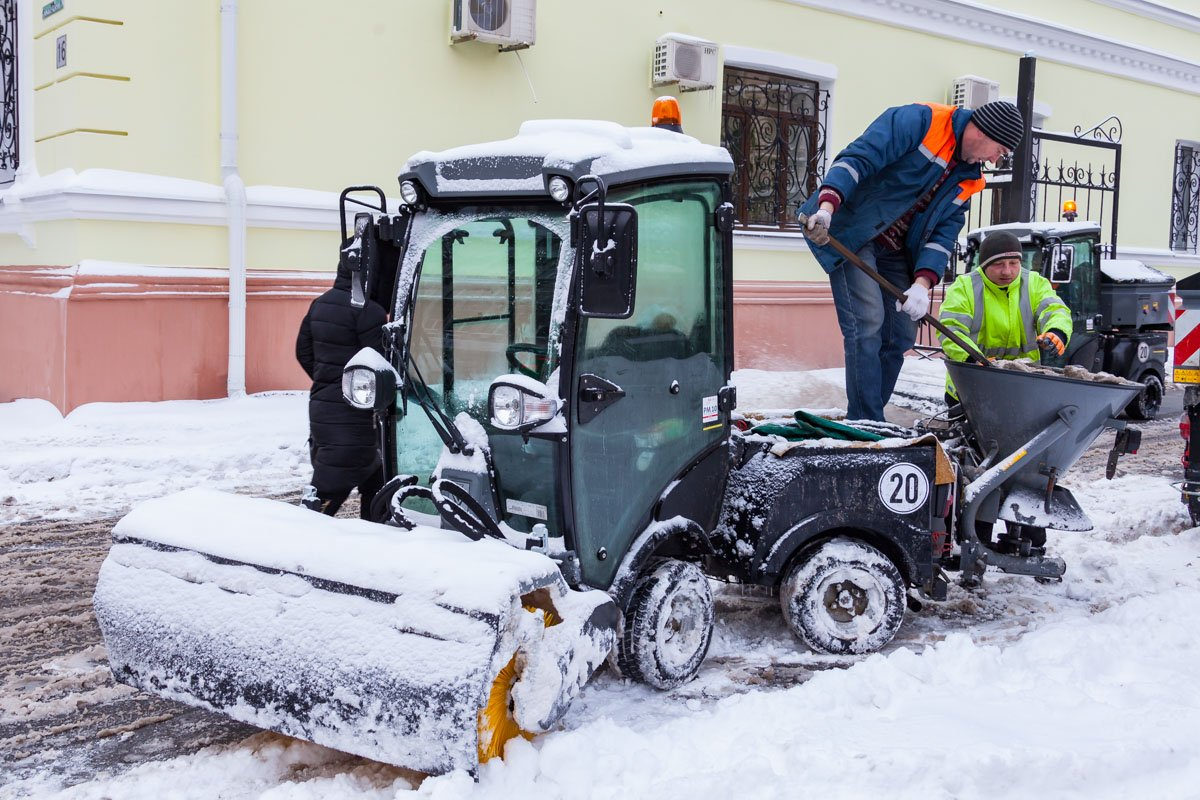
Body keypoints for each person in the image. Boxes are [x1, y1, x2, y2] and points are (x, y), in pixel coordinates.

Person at [798, 99, 1025, 421]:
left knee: (901, 333)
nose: (994, 160)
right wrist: (827, 207)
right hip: (850, 230)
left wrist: (921, 284)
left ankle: (867, 415)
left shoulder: (969, 179)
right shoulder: (920, 122)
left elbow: (943, 236)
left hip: (896, 250)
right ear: (983, 131)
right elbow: (858, 159)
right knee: (868, 322)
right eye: (999, 150)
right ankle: (868, 420)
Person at [295, 254, 388, 519]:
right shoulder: (370, 312)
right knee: (329, 490)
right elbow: (381, 363)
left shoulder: (319, 304)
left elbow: (303, 352)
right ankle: (300, 542)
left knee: (374, 479)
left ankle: (371, 540)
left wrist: (327, 380)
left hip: (323, 408)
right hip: (356, 417)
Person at [938, 229, 1072, 404]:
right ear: (984, 265)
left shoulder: (1034, 283)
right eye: (998, 264)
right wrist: (974, 360)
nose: (1007, 271)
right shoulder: (964, 287)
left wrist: (1057, 331)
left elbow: (1055, 310)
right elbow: (951, 329)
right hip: (971, 386)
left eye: (1013, 263)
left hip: (1023, 388)